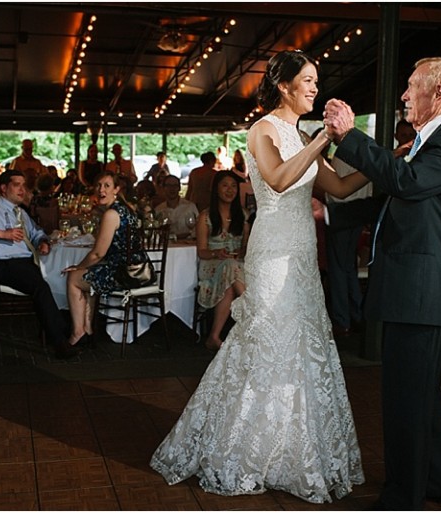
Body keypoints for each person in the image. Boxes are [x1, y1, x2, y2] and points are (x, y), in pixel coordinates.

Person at [152, 50, 367, 502]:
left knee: (302, 348)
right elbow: (278, 178)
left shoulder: (305, 134)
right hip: (271, 255)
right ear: (285, 86)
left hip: (303, 258)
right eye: (307, 80)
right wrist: (320, 139)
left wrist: (390, 163)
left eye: (316, 80)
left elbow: (343, 188)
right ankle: (244, 451)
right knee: (267, 344)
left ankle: (291, 451)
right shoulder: (263, 130)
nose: (314, 87)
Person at [324, 56, 441, 510]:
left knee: (405, 406)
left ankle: (402, 498)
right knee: (421, 401)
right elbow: (401, 203)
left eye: (412, 86)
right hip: (416, 293)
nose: (404, 95)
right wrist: (330, 212)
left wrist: (350, 136)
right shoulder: (432, 141)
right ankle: (438, 484)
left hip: (423, 295)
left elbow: (406, 183)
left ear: (437, 94)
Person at [0, 170, 77, 359]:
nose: (22, 190)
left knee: (61, 276)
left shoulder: (21, 213)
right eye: (17, 185)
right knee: (40, 286)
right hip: (5, 264)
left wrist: (43, 242)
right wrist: (2, 234)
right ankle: (59, 340)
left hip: (26, 262)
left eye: (24, 185)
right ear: (4, 188)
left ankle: (72, 330)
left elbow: (37, 232)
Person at [62, 171, 146, 348]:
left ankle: (78, 332)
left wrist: (77, 267)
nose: (101, 190)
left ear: (116, 189)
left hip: (125, 274)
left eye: (107, 186)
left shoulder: (111, 214)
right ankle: (87, 330)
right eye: (99, 186)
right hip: (137, 270)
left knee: (74, 279)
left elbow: (98, 254)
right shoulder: (127, 209)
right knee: (88, 274)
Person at [195, 170, 249, 350]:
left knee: (229, 283)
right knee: (230, 267)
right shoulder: (205, 216)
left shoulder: (243, 216)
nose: (230, 190)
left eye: (233, 186)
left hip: (235, 267)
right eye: (225, 185)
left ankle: (213, 337)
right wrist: (217, 253)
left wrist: (240, 253)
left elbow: (246, 248)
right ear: (216, 189)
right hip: (212, 266)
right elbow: (202, 251)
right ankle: (253, 308)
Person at [324, 155, 374, 337]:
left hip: (341, 214)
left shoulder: (341, 158)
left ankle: (342, 319)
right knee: (348, 267)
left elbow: (335, 190)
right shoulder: (362, 158)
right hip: (359, 213)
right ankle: (356, 314)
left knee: (338, 268)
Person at [154, 174, 198, 238]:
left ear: (179, 188)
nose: (172, 189)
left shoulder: (190, 206)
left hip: (187, 244)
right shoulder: (158, 209)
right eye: (169, 185)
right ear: (163, 188)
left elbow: (198, 228)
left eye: (175, 185)